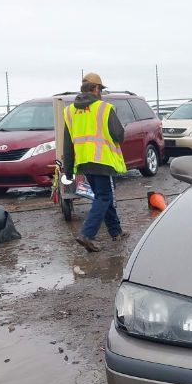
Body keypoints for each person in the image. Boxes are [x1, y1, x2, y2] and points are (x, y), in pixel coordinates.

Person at [63, 72, 128, 252]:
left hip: (84, 162)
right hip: (103, 161)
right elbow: (119, 135)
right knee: (104, 197)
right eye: (101, 89)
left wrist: (68, 171)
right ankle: (87, 235)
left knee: (102, 196)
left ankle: (116, 232)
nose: (102, 92)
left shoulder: (69, 111)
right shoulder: (104, 108)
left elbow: (67, 144)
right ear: (96, 89)